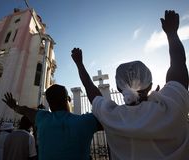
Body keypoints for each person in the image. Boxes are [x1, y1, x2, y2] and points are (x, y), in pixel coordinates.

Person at [71, 10, 189, 159]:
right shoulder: (172, 105)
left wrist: (79, 64)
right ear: (150, 84)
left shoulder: (111, 116)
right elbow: (179, 64)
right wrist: (172, 33)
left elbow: (90, 88)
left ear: (119, 88)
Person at [2, 84, 102, 160]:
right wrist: (80, 65)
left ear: (49, 103)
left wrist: (14, 106)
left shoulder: (42, 118)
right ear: (68, 99)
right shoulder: (85, 122)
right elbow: (105, 113)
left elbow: (24, 110)